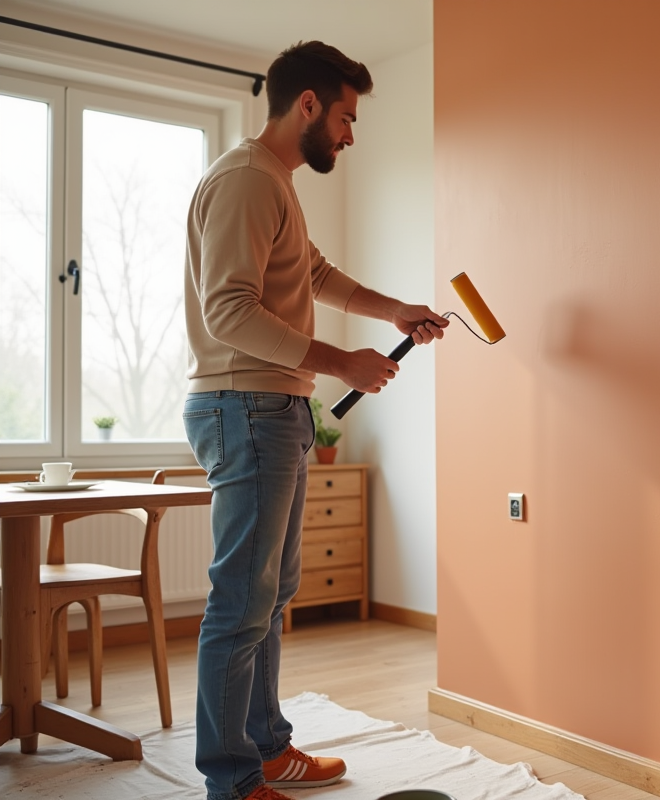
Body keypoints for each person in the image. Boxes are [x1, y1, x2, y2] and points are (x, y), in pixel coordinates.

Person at [181, 41, 446, 800]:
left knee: (270, 591)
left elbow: (315, 275)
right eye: (345, 116)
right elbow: (228, 311)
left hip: (276, 406)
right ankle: (232, 779)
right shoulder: (243, 181)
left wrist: (394, 310)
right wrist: (343, 363)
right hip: (250, 405)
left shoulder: (275, 183)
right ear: (307, 105)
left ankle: (265, 749)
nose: (350, 134)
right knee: (242, 598)